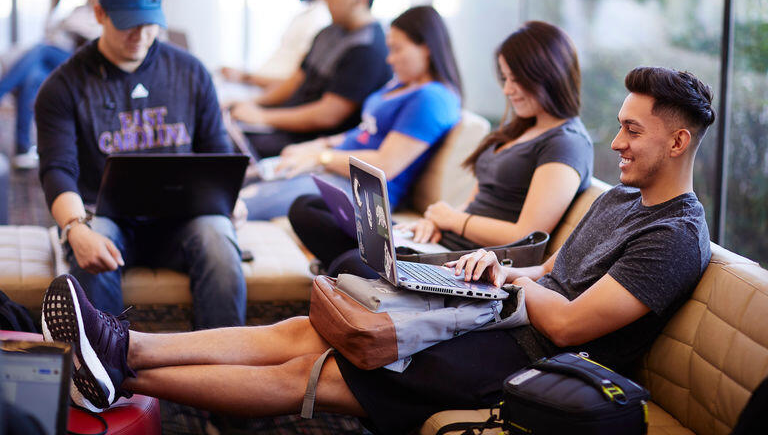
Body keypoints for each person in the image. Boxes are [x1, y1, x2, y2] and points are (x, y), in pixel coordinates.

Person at [41, 65, 715, 434]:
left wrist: (508, 283)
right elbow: (556, 276)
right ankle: (128, 348)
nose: (617, 142)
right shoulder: (625, 199)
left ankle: (117, 372)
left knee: (310, 377)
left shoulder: (674, 235)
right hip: (504, 317)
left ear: (677, 142)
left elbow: (569, 322)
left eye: (632, 130)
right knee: (307, 329)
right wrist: (496, 269)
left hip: (532, 357)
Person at [34, 0, 246, 330]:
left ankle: (222, 368)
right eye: (127, 23)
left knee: (218, 238)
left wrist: (230, 199)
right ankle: (108, 376)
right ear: (100, 14)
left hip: (182, 219)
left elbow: (217, 152)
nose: (141, 34)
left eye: (150, 23)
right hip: (101, 217)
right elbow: (57, 170)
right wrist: (75, 229)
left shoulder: (191, 72)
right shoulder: (63, 85)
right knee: (93, 246)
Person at [290, 21, 593, 278]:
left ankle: (357, 270)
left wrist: (452, 220)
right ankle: (362, 269)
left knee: (350, 263)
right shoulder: (521, 127)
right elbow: (477, 201)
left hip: (464, 259)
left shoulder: (566, 143)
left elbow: (526, 234)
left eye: (518, 80)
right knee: (309, 207)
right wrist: (433, 222)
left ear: (549, 75)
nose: (507, 89)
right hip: (442, 239)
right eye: (505, 78)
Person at [240, 5, 462, 220]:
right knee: (241, 181)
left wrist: (321, 157)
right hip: (336, 172)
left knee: (243, 203)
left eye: (397, 49)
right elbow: (364, 131)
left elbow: (386, 164)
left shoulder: (433, 98)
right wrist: (321, 145)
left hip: (361, 191)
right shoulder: (401, 85)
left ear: (426, 48)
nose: (389, 59)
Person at [229, 0, 392, 159]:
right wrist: (255, 103)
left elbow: (327, 115)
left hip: (310, 143)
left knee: (226, 148)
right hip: (284, 127)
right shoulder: (327, 32)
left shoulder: (368, 50)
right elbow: (296, 80)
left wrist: (263, 117)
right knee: (221, 129)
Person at [0, 0, 104, 169]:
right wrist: (54, 4)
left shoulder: (107, 8)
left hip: (86, 62)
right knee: (33, 77)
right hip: (64, 60)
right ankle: (22, 149)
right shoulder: (81, 9)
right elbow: (50, 33)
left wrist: (77, 26)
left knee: (40, 50)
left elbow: (98, 38)